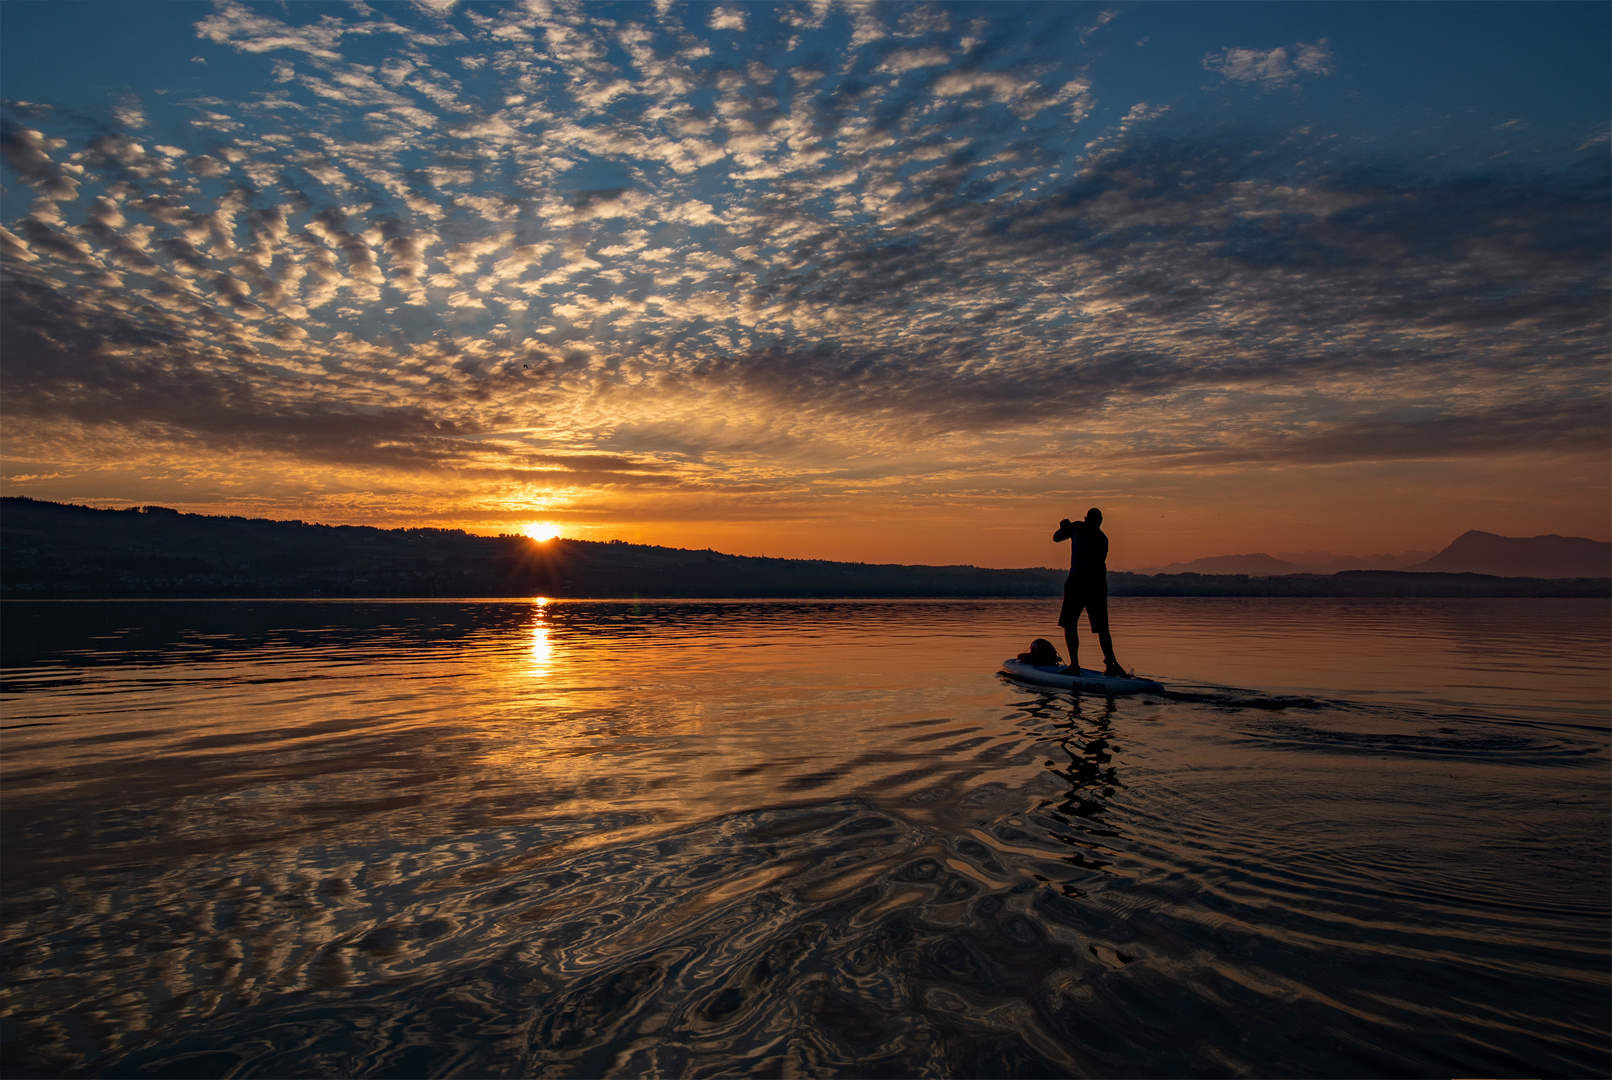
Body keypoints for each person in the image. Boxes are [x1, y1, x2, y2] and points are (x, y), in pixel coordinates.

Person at [1054, 507, 1128, 677]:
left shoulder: (1085, 530)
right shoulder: (1097, 535)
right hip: (1095, 586)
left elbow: (1059, 538)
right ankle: (1108, 664)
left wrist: (1067, 528)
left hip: (1082, 585)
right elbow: (1057, 538)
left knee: (1076, 625)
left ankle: (1081, 665)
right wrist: (1066, 528)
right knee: (1094, 627)